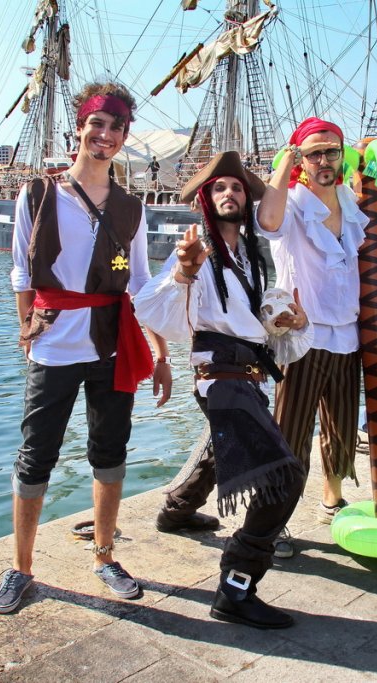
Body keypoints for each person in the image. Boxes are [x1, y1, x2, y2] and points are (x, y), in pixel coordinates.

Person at [0, 81, 173, 615]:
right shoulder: (39, 195)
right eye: (98, 123)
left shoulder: (131, 209)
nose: (106, 134)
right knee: (35, 456)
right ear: (80, 127)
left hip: (111, 343)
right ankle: (21, 569)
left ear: (123, 137)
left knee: (109, 453)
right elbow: (22, 273)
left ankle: (105, 555)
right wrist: (28, 330)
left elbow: (141, 287)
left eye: (116, 127)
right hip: (52, 346)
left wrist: (160, 353)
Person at [135, 151, 312, 629]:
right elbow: (150, 306)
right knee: (285, 475)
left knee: (221, 449)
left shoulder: (249, 258)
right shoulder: (197, 250)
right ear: (205, 202)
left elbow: (256, 324)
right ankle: (237, 586)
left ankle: (176, 511)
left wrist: (289, 322)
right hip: (220, 375)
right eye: (218, 189)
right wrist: (183, 272)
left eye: (235, 187)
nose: (229, 193)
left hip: (248, 371)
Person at [255, 117, 377, 557]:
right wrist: (284, 166)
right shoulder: (292, 203)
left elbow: (358, 263)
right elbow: (267, 223)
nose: (323, 160)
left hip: (347, 335)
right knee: (289, 433)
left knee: (341, 428)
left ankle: (332, 498)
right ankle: (272, 521)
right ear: (302, 159)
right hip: (302, 339)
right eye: (314, 153)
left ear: (343, 155)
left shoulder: (349, 198)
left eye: (331, 151)